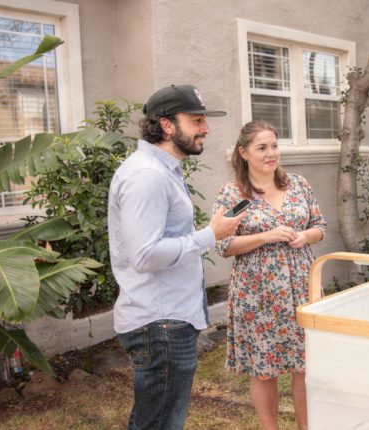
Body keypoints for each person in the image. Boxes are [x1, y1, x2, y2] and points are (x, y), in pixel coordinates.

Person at [108, 84, 246, 430]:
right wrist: (210, 235)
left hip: (166, 322)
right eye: (196, 120)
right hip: (160, 325)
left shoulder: (162, 170)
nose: (206, 128)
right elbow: (145, 255)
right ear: (167, 125)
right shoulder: (148, 176)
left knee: (154, 421)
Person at [213, 120, 326, 430]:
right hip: (257, 292)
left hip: (302, 285)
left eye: (274, 146)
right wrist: (267, 236)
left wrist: (305, 236)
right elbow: (223, 244)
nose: (270, 153)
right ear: (244, 153)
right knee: (264, 368)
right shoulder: (235, 195)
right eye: (262, 147)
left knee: (307, 363)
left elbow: (320, 226)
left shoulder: (298, 184)